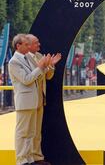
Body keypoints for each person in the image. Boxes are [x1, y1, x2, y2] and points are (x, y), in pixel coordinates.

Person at [8, 34, 51, 165]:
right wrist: (40, 67)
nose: (28, 46)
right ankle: (21, 160)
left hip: (33, 101)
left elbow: (37, 76)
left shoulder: (27, 58)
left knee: (31, 132)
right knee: (22, 133)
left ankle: (29, 158)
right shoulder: (14, 62)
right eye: (26, 44)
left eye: (28, 44)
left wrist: (45, 66)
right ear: (18, 46)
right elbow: (27, 79)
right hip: (24, 102)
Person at [24, 34, 61, 165]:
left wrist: (51, 65)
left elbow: (48, 76)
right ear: (28, 44)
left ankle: (37, 156)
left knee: (36, 130)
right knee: (27, 131)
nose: (39, 45)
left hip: (40, 97)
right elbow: (29, 77)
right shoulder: (24, 58)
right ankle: (26, 158)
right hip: (29, 99)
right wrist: (41, 67)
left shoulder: (40, 56)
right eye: (36, 43)